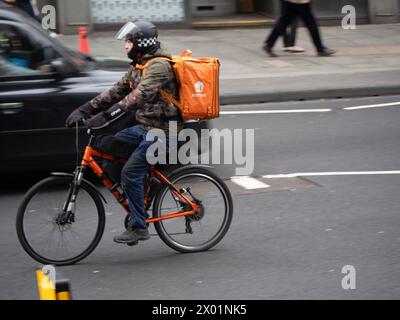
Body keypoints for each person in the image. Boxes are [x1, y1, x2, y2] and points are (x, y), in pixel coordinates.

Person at [65, 20, 182, 246]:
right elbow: (116, 91)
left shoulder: (159, 67)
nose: (125, 46)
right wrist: (86, 109)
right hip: (147, 127)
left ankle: (139, 226)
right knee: (108, 147)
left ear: (140, 43)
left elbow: (136, 97)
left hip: (166, 132)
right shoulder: (140, 66)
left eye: (128, 41)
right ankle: (149, 187)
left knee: (130, 172)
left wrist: (106, 117)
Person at [263, 0, 335, 57]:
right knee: (311, 23)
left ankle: (269, 44)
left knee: (284, 21)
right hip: (300, 2)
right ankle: (320, 49)